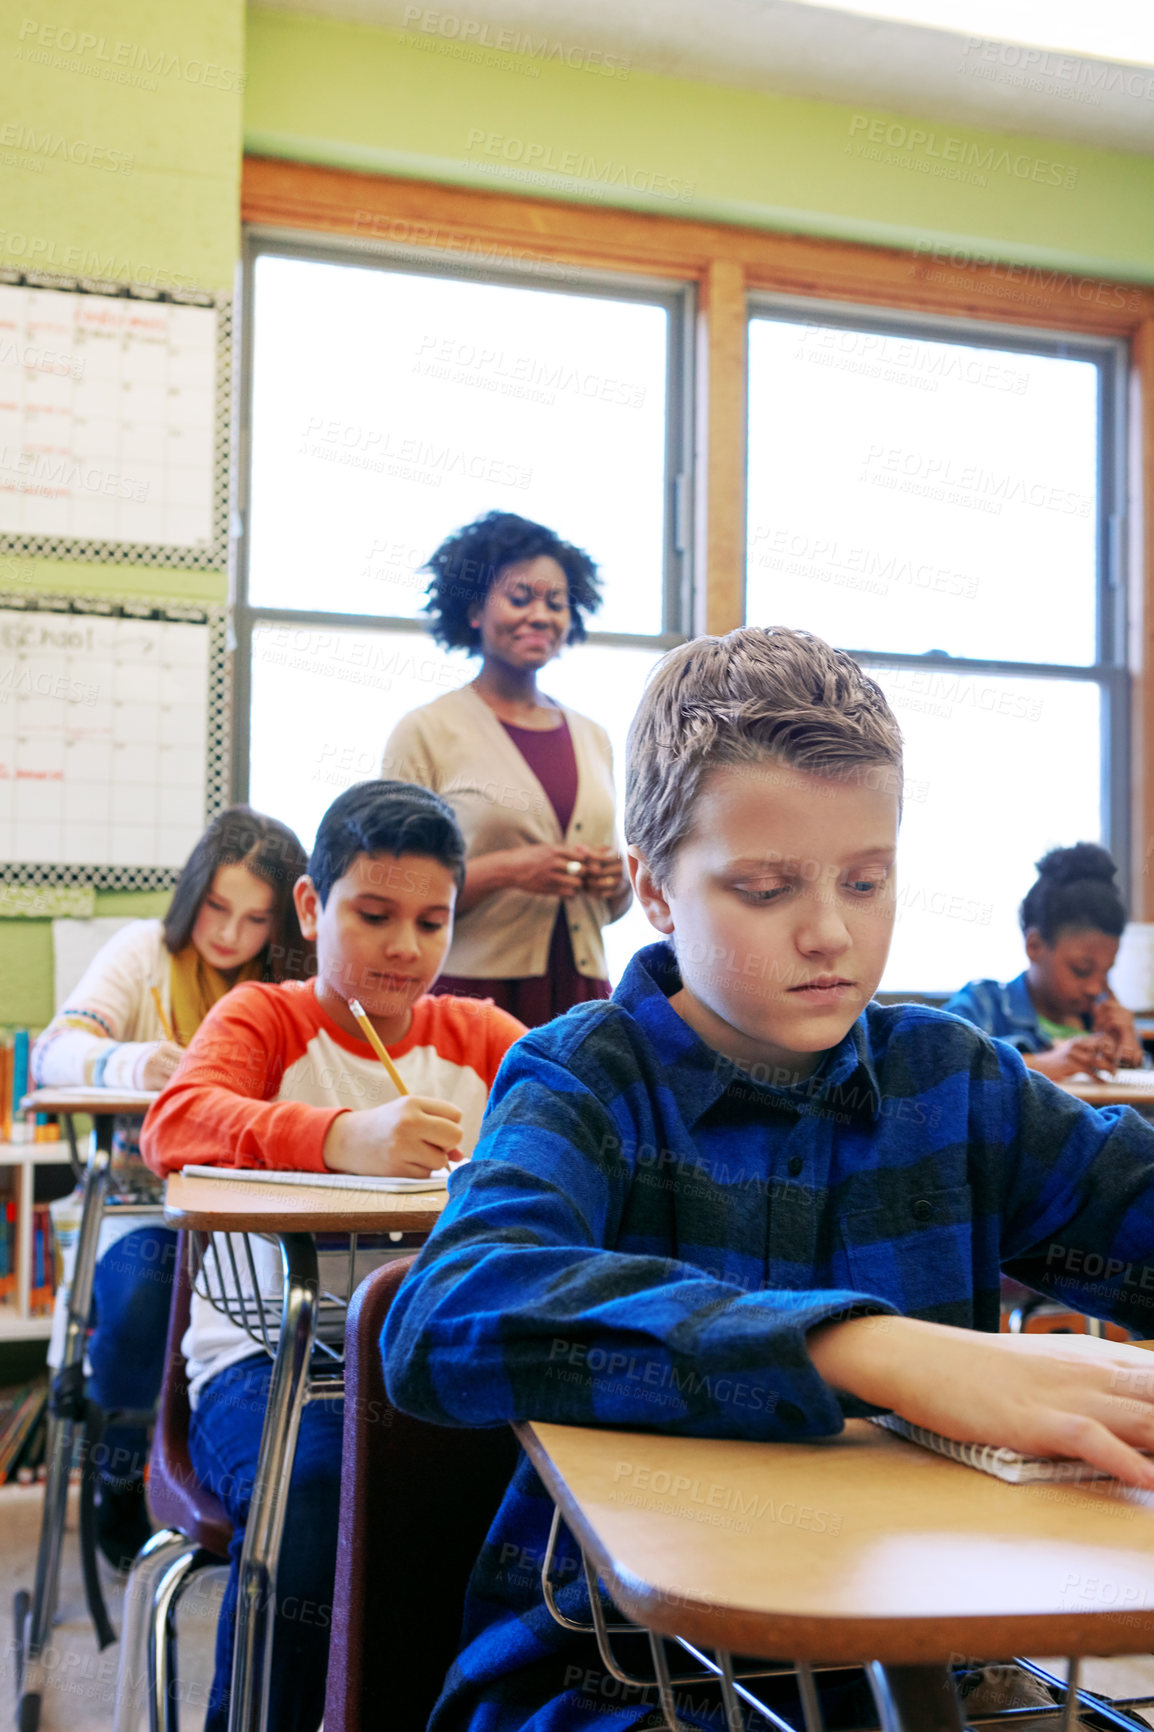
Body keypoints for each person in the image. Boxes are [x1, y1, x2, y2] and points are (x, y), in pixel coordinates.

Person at [382, 626, 1154, 1732]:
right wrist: (867, 1348)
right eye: (761, 886)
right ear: (651, 889)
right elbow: (445, 1315)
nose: (829, 930)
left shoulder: (954, 1080)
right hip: (620, 1674)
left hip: (925, 1663)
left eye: (866, 878)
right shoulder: (583, 1078)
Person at [141, 779, 525, 1732]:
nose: (405, 946)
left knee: (524, 1493)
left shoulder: (477, 1037)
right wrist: (342, 1135)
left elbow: (584, 1122)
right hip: (261, 1367)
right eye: (374, 913)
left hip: (420, 1365)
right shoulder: (264, 1020)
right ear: (311, 909)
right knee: (317, 1491)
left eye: (432, 921)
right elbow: (175, 1123)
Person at [31, 805, 309, 1569]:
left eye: (256, 918)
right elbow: (53, 1053)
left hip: (253, 1221)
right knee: (137, 1303)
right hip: (145, 1208)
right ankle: (120, 1470)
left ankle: (260, 1485)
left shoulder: (290, 981)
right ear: (192, 893)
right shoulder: (144, 951)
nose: (230, 934)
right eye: (218, 907)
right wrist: (133, 1065)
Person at [382, 509, 631, 1027]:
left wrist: (617, 881)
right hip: (469, 997)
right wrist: (508, 872)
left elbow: (613, 907)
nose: (540, 615)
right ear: (474, 610)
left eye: (556, 603)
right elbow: (392, 887)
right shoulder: (427, 731)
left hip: (581, 994)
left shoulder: (593, 736)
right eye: (521, 598)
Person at [943, 843, 1144, 1082]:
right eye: (1082, 970)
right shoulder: (984, 1004)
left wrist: (1131, 1062)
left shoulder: (1108, 1026)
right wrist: (1042, 1064)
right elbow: (941, 1064)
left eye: (1106, 972)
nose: (1095, 988)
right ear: (1035, 946)